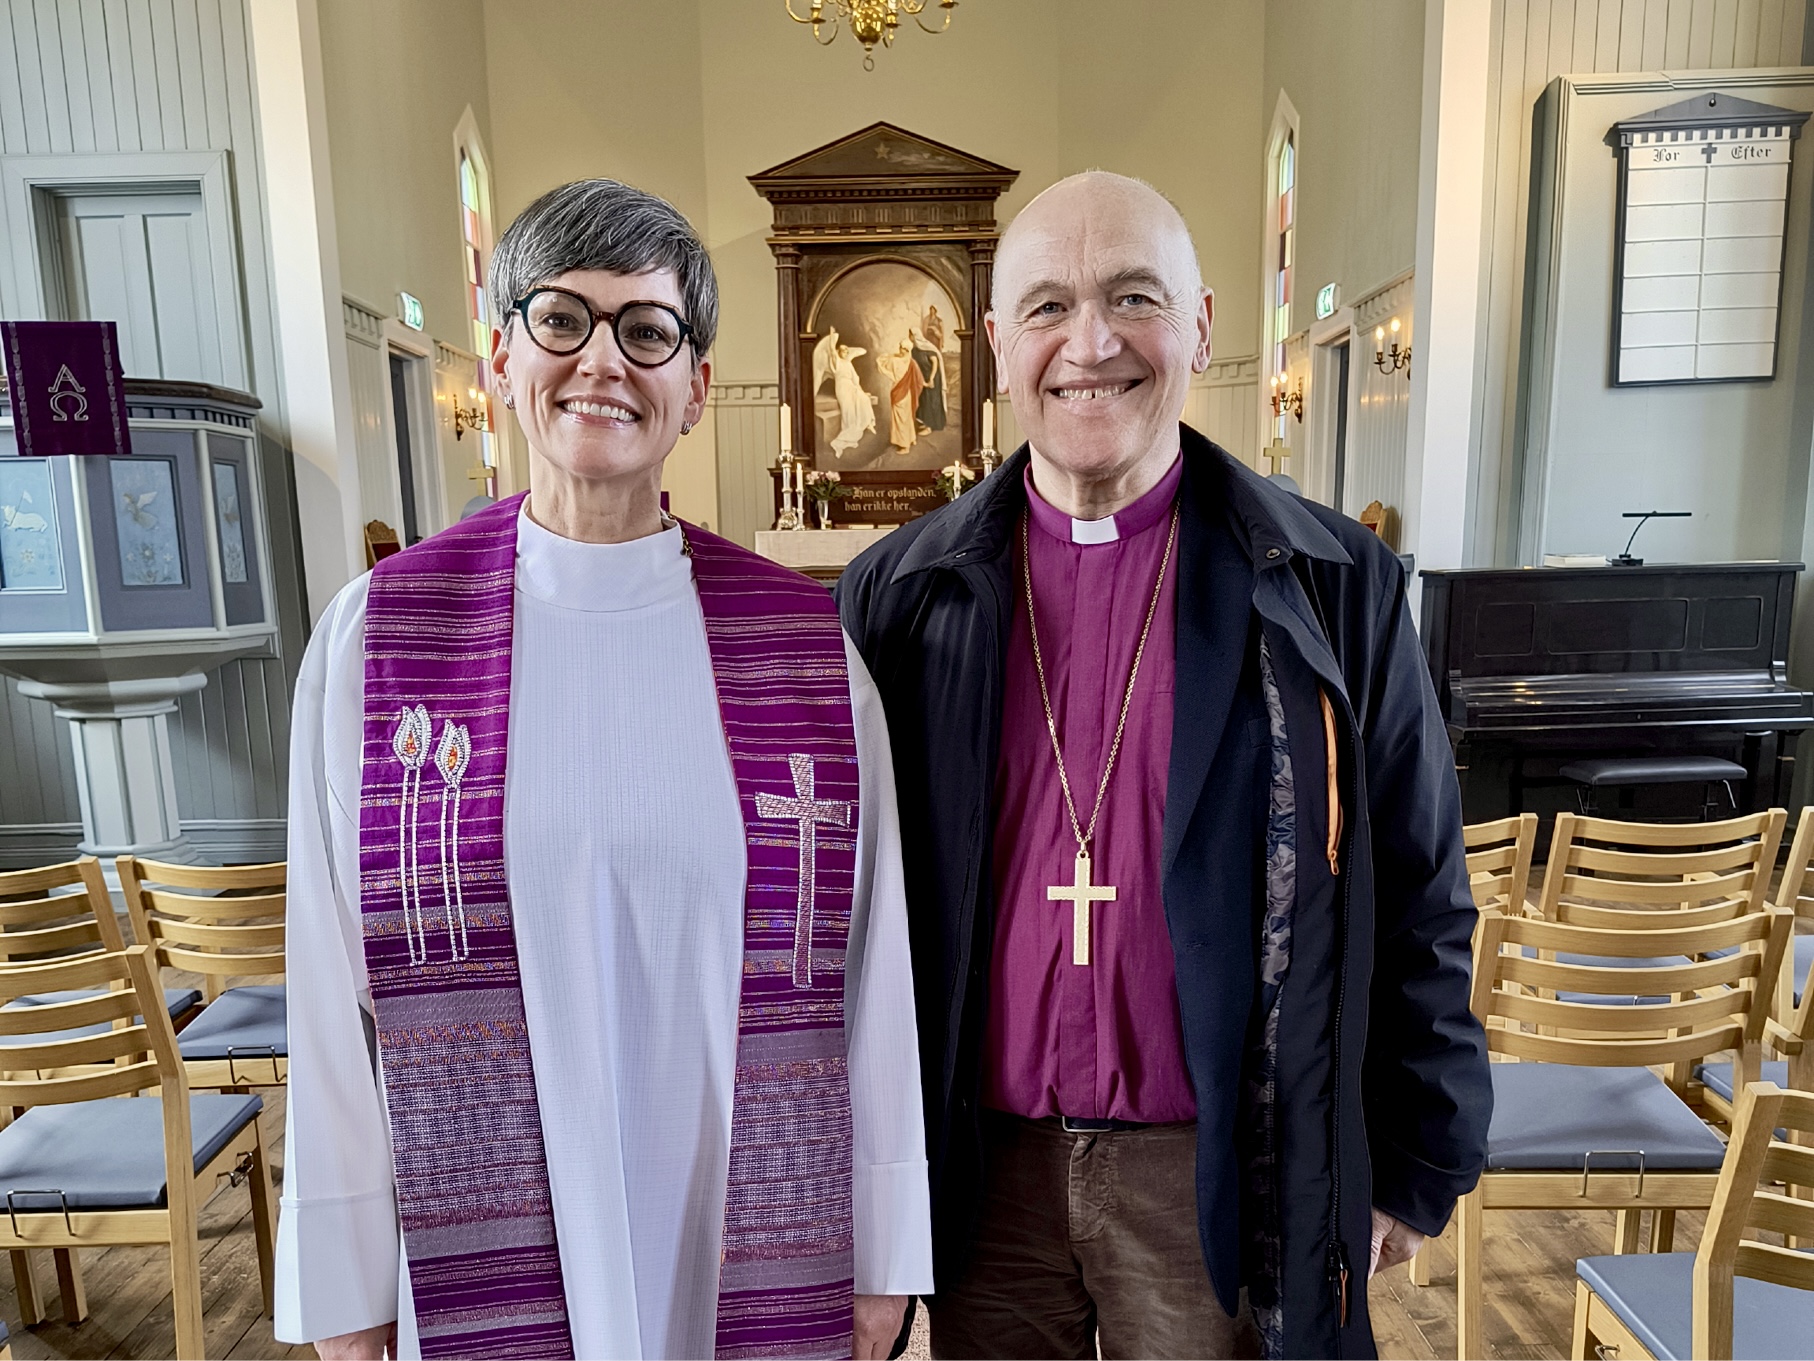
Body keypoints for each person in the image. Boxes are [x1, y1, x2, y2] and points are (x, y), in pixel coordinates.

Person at [836, 171, 1491, 1360]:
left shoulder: (1330, 585)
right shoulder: (896, 596)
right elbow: (847, 909)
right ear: (993, 344)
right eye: (1046, 307)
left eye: (1131, 296)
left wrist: (1419, 1147)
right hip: (981, 1171)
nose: (1088, 344)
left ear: (1197, 324)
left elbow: (1421, 882)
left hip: (1220, 1164)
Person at [277, 178, 931, 1361]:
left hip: (745, 1213)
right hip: (473, 1237)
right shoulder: (378, 637)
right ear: (500, 352)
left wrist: (882, 1253)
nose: (600, 363)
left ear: (693, 386)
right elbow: (328, 988)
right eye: (560, 319)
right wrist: (343, 1286)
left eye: (645, 331)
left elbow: (871, 975)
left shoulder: (803, 654)